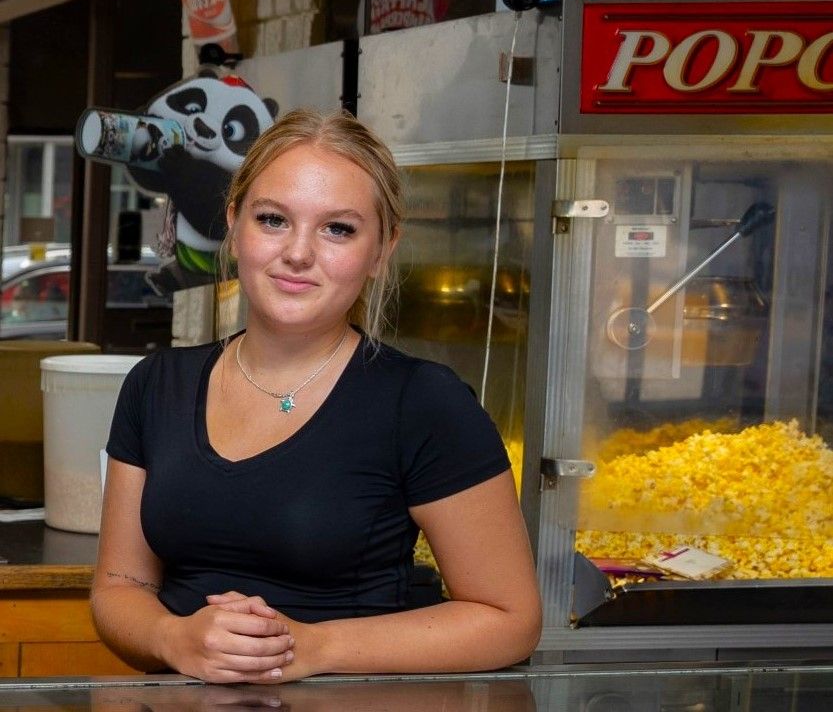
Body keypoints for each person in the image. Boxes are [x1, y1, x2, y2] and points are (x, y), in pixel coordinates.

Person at [91, 108, 542, 684]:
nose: (299, 253)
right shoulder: (156, 385)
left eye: (338, 229)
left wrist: (309, 648)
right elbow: (119, 586)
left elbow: (509, 619)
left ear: (382, 249)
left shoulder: (424, 403)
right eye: (274, 219)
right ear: (234, 224)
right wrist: (171, 637)